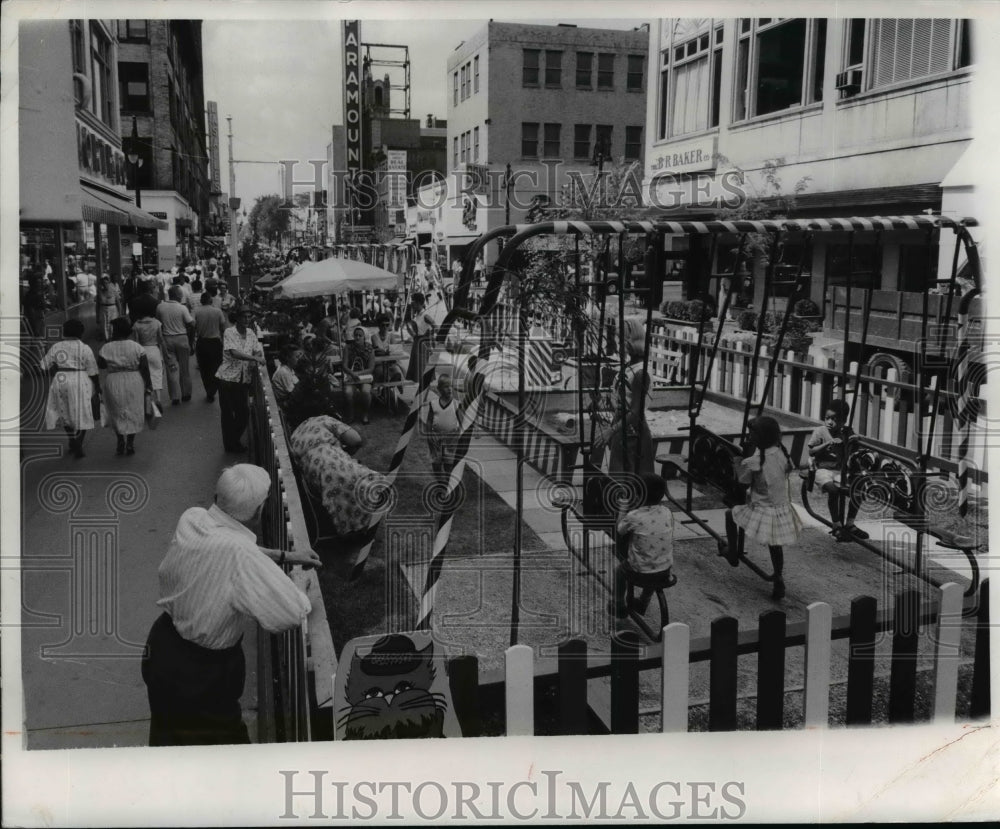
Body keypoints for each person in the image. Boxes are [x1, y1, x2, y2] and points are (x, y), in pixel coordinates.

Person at [141, 464, 319, 746]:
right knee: (225, 754)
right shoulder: (239, 554)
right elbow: (292, 612)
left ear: (217, 495)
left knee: (167, 739)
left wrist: (285, 555)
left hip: (162, 649)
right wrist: (302, 589)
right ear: (259, 512)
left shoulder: (193, 518)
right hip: (203, 674)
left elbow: (229, 543)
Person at [724, 416, 802, 600]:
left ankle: (733, 552)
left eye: (752, 433)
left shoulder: (755, 460)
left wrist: (738, 461)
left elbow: (742, 483)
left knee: (730, 514)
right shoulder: (781, 451)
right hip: (781, 507)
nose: (750, 435)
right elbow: (789, 468)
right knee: (775, 545)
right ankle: (778, 577)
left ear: (762, 437)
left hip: (763, 508)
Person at [610, 473, 675, 618]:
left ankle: (618, 604)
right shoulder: (667, 512)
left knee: (619, 571)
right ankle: (643, 601)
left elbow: (620, 529)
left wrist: (623, 507)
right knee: (654, 557)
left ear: (639, 496)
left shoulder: (634, 516)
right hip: (665, 570)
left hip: (641, 571)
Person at [807, 400, 870, 542]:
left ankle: (850, 523)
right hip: (822, 468)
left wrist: (855, 440)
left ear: (843, 421)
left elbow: (854, 450)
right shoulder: (820, 431)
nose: (829, 422)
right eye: (827, 418)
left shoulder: (846, 431)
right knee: (834, 491)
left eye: (834, 419)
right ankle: (836, 525)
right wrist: (827, 444)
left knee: (858, 490)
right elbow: (811, 451)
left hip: (839, 470)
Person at [41, 319, 100, 458]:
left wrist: (57, 369)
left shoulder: (56, 346)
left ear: (64, 332)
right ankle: (79, 441)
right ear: (81, 332)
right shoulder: (85, 348)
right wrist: (97, 387)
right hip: (80, 380)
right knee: (83, 411)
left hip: (61, 379)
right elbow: (93, 371)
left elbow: (43, 365)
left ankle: (72, 439)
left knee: (64, 410)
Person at [98, 317, 153, 456]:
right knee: (134, 410)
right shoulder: (136, 347)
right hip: (134, 380)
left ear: (115, 331)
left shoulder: (106, 347)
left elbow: (101, 365)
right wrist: (149, 385)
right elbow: (144, 367)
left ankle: (120, 440)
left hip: (113, 380)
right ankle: (130, 442)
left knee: (116, 410)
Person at [215, 307, 265, 453]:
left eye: (249, 317)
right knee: (228, 414)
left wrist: (257, 353)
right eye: (244, 316)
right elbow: (234, 352)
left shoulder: (250, 333)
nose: (247, 319)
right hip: (227, 379)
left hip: (243, 379)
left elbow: (257, 349)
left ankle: (233, 440)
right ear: (237, 318)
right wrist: (255, 358)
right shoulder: (229, 332)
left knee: (243, 413)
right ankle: (231, 445)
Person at [606, 364, 655, 476]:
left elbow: (635, 411)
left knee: (636, 478)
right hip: (621, 424)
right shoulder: (627, 367)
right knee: (619, 478)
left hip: (633, 428)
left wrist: (611, 431)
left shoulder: (640, 372)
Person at [156, 285, 195, 404]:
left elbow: (158, 324)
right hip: (182, 339)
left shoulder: (160, 307)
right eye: (181, 294)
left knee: (171, 369)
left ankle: (175, 397)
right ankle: (186, 394)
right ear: (178, 295)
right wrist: (192, 340)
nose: (182, 295)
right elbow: (191, 323)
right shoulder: (182, 308)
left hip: (167, 340)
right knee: (184, 368)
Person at [131, 303, 169, 407]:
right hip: (154, 350)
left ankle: (148, 402)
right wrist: (164, 353)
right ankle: (158, 400)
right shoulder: (157, 323)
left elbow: (136, 342)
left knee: (144, 377)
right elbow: (161, 339)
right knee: (157, 375)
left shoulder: (136, 325)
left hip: (142, 351)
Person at [193, 292, 228, 403]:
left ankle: (209, 390)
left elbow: (192, 327)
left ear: (201, 301)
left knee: (204, 369)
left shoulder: (196, 311)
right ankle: (213, 389)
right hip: (215, 342)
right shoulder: (217, 311)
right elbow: (223, 327)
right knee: (216, 367)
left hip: (202, 342)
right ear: (210, 300)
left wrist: (191, 342)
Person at [425, 374, 461, 482]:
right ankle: (439, 484)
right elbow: (429, 421)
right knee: (436, 464)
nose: (449, 388)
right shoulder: (434, 404)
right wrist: (429, 435)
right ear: (439, 389)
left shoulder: (456, 404)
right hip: (436, 440)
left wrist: (457, 436)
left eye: (450, 386)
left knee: (449, 465)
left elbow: (462, 423)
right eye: (446, 386)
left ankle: (447, 486)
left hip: (451, 441)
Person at [342, 325, 375, 424]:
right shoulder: (348, 348)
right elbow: (344, 365)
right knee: (348, 392)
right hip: (351, 376)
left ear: (365, 337)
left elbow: (371, 368)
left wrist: (357, 374)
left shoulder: (370, 349)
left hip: (365, 377)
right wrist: (352, 373)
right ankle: (351, 413)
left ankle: (365, 413)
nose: (357, 337)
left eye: (360, 335)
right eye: (356, 335)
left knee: (365, 391)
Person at [405, 292, 435, 383]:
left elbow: (435, 326)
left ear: (418, 303)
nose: (412, 304)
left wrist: (429, 336)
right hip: (417, 342)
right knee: (417, 370)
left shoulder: (425, 315)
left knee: (422, 368)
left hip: (423, 344)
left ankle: (423, 389)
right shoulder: (417, 315)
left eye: (413, 302)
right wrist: (413, 334)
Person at [371, 313, 403, 384]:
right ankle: (386, 391)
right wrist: (388, 352)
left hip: (390, 364)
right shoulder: (374, 337)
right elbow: (377, 352)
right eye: (383, 325)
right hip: (379, 364)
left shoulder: (391, 336)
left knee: (397, 373)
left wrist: (386, 352)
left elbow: (394, 350)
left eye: (387, 325)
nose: (385, 327)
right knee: (382, 375)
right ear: (379, 326)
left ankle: (390, 389)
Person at [96, 275, 121, 341]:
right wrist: (97, 316)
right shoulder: (99, 293)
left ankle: (112, 338)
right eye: (103, 283)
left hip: (113, 309)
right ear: (101, 284)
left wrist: (120, 313)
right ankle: (106, 340)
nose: (105, 285)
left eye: (106, 283)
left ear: (109, 283)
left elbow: (118, 303)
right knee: (104, 326)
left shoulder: (114, 291)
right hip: (103, 309)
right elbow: (97, 305)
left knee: (112, 326)